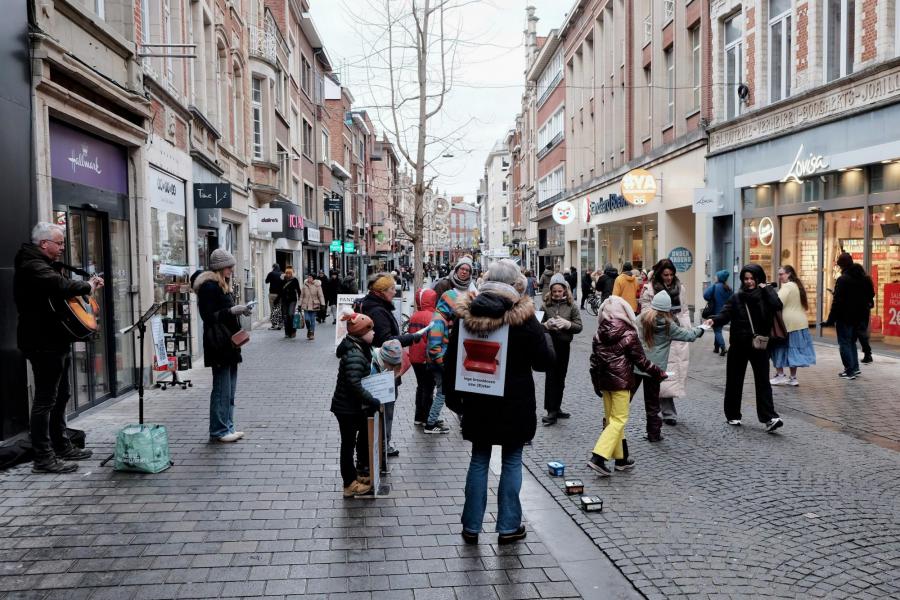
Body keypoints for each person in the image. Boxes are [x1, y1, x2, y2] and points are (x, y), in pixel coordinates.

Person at [444, 259, 554, 545]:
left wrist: (454, 399)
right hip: (515, 403)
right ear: (516, 284)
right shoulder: (524, 317)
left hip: (478, 399)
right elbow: (544, 362)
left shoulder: (466, 314)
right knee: (512, 460)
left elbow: (452, 359)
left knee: (479, 459)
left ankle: (471, 527)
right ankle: (508, 527)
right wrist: (546, 335)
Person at [14, 222, 103, 473]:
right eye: (59, 243)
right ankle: (43, 458)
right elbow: (60, 286)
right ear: (44, 244)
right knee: (45, 400)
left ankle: (61, 445)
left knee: (62, 394)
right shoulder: (32, 265)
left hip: (55, 339)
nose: (63, 247)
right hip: (42, 342)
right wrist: (88, 286)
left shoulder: (45, 264)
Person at [586, 295, 666, 477]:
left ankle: (622, 459)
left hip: (605, 383)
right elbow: (641, 361)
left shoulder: (598, 333)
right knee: (618, 420)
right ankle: (598, 458)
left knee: (612, 420)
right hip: (621, 383)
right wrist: (659, 373)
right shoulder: (629, 333)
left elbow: (594, 362)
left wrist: (596, 384)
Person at [707, 264, 784, 432]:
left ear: (759, 279)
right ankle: (733, 415)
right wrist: (714, 320)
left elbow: (777, 305)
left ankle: (769, 417)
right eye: (746, 279)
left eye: (752, 278)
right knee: (734, 381)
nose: (749, 282)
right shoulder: (737, 297)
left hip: (759, 345)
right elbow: (726, 313)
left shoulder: (766, 295)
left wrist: (767, 289)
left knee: (763, 382)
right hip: (739, 344)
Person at [359, 273, 423, 455]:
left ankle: (376, 446)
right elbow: (386, 341)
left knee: (378, 408)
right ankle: (382, 446)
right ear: (381, 291)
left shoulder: (372, 305)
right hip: (383, 368)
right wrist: (410, 338)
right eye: (392, 289)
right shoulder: (378, 311)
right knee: (385, 407)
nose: (395, 292)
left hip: (375, 364)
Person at [194, 248, 251, 443]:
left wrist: (239, 311)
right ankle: (219, 430)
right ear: (220, 268)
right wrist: (232, 311)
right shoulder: (209, 287)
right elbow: (209, 317)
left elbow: (224, 312)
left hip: (228, 342)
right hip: (218, 342)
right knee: (221, 389)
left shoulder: (222, 284)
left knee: (229, 389)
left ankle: (228, 426)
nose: (232, 270)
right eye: (229, 267)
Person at [635, 291, 703, 442]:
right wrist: (702, 328)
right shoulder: (668, 325)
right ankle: (654, 434)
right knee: (652, 404)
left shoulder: (641, 318)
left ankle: (614, 428)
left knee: (625, 399)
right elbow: (689, 335)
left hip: (638, 364)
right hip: (655, 369)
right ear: (667, 309)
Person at [331, 312, 377, 498]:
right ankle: (349, 484)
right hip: (347, 408)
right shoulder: (355, 354)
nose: (373, 333)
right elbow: (354, 384)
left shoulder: (357, 348)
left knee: (349, 443)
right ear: (360, 333)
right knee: (348, 445)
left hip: (349, 406)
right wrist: (371, 399)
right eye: (370, 330)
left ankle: (353, 477)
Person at [639, 259, 690, 426]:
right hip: (658, 336)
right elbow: (646, 312)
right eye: (665, 275)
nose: (669, 278)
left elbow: (684, 310)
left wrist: (685, 327)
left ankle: (664, 411)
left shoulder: (680, 288)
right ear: (659, 274)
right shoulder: (649, 289)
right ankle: (662, 412)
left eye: (671, 275)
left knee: (672, 373)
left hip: (676, 334)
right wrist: (661, 320)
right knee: (660, 374)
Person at [823, 253, 875, 379]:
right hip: (860, 317)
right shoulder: (865, 278)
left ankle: (849, 370)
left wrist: (830, 320)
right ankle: (855, 368)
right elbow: (870, 295)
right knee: (851, 342)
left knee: (844, 343)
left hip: (845, 317)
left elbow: (837, 302)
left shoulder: (843, 280)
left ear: (841, 266)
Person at [540, 274, 583, 425]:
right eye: (554, 291)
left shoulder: (572, 306)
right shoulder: (545, 306)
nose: (557, 294)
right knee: (551, 378)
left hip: (564, 347)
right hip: (549, 346)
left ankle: (557, 408)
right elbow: (537, 326)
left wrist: (567, 324)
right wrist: (546, 325)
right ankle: (550, 411)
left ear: (565, 290)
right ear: (550, 291)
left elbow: (579, 326)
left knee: (561, 377)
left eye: (560, 291)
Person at [769, 266, 817, 387]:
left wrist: (767, 291)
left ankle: (780, 375)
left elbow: (777, 302)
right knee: (793, 350)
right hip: (800, 323)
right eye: (779, 274)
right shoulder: (796, 285)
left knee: (778, 348)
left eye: (782, 274)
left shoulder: (787, 286)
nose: (780, 277)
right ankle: (793, 378)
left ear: (789, 274)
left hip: (788, 323)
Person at [408, 288, 438, 426]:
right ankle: (427, 418)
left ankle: (418, 416)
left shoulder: (414, 315)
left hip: (414, 357)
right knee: (428, 387)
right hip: (426, 357)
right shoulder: (432, 316)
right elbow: (433, 339)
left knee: (421, 386)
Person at [703, 270, 733, 355]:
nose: (714, 277)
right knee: (718, 328)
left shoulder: (715, 286)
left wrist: (712, 298)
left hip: (715, 313)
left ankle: (723, 348)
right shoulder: (729, 288)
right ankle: (716, 348)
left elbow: (705, 295)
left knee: (717, 331)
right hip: (726, 314)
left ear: (719, 277)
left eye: (716, 276)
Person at [300, 274, 325, 340]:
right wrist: (299, 304)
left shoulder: (317, 285)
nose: (309, 278)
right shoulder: (305, 285)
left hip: (314, 305)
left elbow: (320, 295)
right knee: (307, 319)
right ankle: (309, 329)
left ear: (313, 278)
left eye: (310, 277)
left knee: (312, 320)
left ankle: (311, 333)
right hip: (306, 305)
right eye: (308, 277)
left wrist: (323, 304)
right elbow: (301, 296)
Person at [280, 267, 300, 339]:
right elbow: (280, 290)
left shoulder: (295, 280)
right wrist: (278, 299)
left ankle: (293, 330)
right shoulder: (282, 280)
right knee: (285, 316)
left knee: (290, 314)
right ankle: (287, 333)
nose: (288, 274)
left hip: (292, 300)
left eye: (289, 273)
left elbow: (298, 290)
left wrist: (300, 299)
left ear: (292, 274)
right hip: (284, 300)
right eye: (287, 273)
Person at [265, 264, 284, 330]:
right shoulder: (282, 274)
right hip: (280, 295)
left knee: (273, 309)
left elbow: (266, 281)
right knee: (279, 309)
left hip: (272, 294)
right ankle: (280, 324)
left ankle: (274, 325)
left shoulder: (271, 273)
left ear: (273, 267)